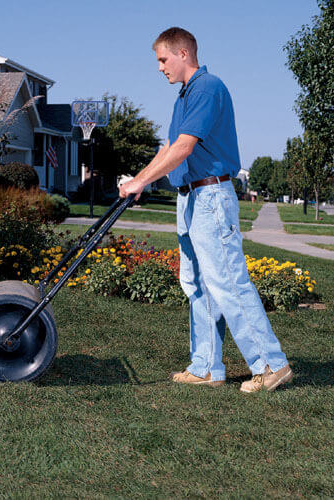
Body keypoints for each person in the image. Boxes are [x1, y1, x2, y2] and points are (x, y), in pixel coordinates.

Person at [119, 27, 292, 393]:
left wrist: (141, 181)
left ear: (183, 53)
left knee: (227, 280)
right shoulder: (183, 96)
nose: (160, 68)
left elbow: (184, 147)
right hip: (189, 198)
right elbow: (169, 147)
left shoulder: (208, 87)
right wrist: (139, 179)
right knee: (197, 284)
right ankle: (207, 367)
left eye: (163, 60)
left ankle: (270, 363)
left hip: (211, 196)